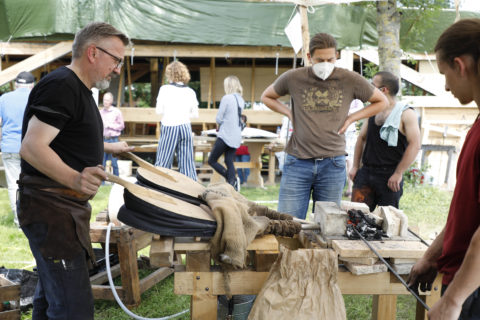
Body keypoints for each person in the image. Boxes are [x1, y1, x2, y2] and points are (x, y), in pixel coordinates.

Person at [18, 22, 132, 319]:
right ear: (93, 52)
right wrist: (75, 178)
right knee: (73, 308)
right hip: (51, 210)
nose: (118, 68)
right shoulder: (62, 85)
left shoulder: (78, 89)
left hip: (61, 211)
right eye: (116, 59)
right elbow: (32, 146)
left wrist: (107, 147)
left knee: (51, 298)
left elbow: (65, 136)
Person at [260, 32, 388, 219]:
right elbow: (267, 96)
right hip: (297, 162)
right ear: (309, 57)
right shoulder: (294, 78)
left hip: (332, 163)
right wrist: (289, 112)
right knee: (287, 223)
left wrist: (352, 118)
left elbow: (381, 101)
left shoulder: (349, 79)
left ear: (336, 55)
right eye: (320, 59)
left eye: (330, 58)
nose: (326, 64)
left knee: (327, 226)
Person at [407, 19, 480, 320]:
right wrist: (432, 256)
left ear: (460, 65)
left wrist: (453, 301)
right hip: (464, 283)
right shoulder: (476, 125)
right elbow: (465, 210)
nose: (447, 86)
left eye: (444, 74)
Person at [349, 71, 421, 212]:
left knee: (387, 224)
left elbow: (415, 145)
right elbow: (361, 138)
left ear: (384, 90)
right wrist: (355, 166)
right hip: (366, 173)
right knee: (356, 218)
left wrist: (399, 173)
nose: (368, 89)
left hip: (390, 177)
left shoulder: (406, 114)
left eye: (372, 86)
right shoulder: (373, 110)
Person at [0, 71, 34, 226]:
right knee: (31, 183)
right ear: (32, 85)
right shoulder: (35, 97)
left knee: (14, 184)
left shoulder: (4, 98)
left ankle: (19, 220)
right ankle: (31, 218)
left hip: (9, 146)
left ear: (15, 85)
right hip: (32, 148)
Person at [155, 61, 198, 180]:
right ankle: (190, 191)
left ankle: (159, 185)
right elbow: (195, 114)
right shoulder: (190, 91)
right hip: (185, 126)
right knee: (187, 163)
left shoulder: (165, 89)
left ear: (169, 74)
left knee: (163, 160)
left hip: (170, 125)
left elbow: (159, 111)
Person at [208, 75, 245, 190]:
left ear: (228, 86)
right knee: (229, 161)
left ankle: (231, 179)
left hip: (225, 135)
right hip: (236, 136)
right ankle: (232, 182)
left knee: (212, 160)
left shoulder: (227, 98)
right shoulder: (241, 100)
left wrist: (220, 122)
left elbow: (219, 118)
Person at [100, 91, 125, 176]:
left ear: (111, 101)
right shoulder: (100, 112)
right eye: (104, 100)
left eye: (107, 100)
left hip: (114, 139)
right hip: (103, 139)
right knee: (101, 161)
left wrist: (110, 125)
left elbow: (121, 126)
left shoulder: (116, 112)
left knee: (114, 162)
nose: (105, 102)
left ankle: (117, 180)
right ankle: (102, 182)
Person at [344, 99, 363, 198]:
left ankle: (350, 188)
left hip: (349, 131)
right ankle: (349, 189)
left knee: (349, 161)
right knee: (347, 161)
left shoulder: (357, 101)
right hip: (345, 131)